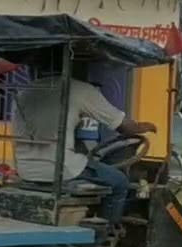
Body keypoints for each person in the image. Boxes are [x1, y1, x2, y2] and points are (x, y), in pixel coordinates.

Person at [13, 61, 156, 226]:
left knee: (88, 165)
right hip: (61, 170)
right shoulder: (80, 90)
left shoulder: (25, 92)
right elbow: (124, 126)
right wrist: (141, 127)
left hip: (26, 170)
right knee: (120, 182)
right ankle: (102, 239)